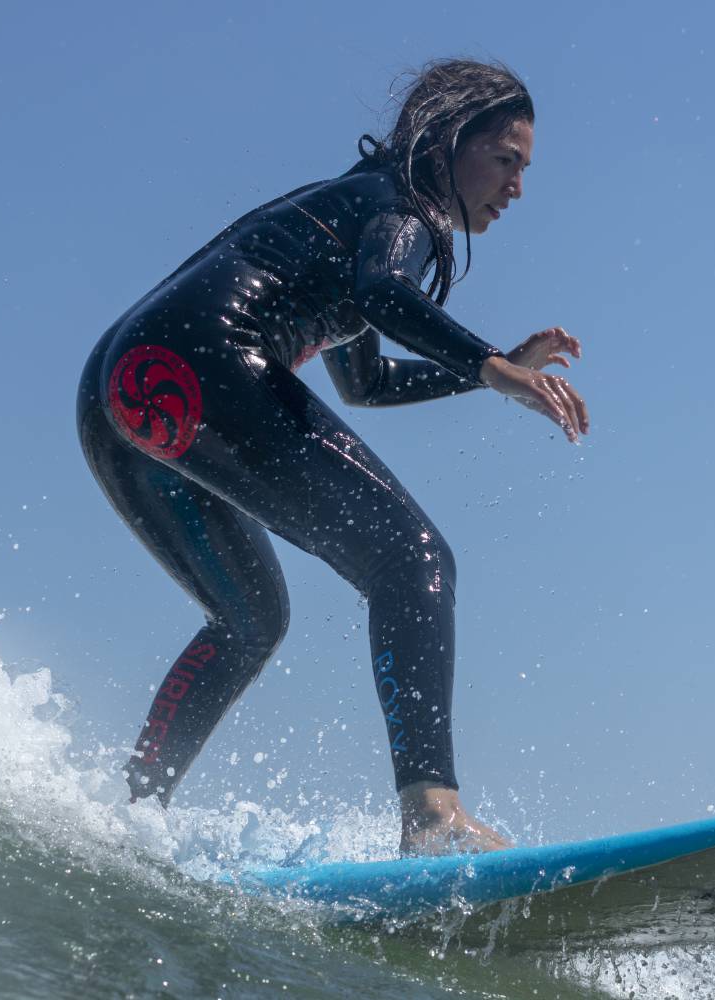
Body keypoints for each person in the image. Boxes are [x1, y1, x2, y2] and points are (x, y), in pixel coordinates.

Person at [75, 57, 588, 856]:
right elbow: (386, 293)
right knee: (413, 558)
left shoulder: (356, 210)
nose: (517, 187)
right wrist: (494, 365)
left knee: (249, 621)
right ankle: (433, 815)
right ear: (451, 142)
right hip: (204, 363)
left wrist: (489, 379)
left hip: (128, 386)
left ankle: (132, 813)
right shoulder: (403, 215)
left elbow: (369, 381)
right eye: (506, 160)